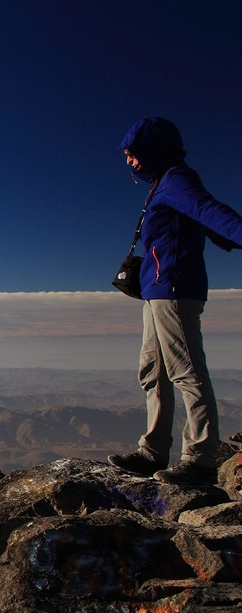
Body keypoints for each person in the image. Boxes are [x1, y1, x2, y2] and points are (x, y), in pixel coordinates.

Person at [108, 117, 242, 485]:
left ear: (153, 150)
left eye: (133, 154)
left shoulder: (176, 179)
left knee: (186, 370)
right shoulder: (161, 185)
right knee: (152, 370)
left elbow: (207, 210)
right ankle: (152, 451)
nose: (129, 162)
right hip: (155, 291)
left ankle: (200, 459)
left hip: (174, 289)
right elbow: (200, 221)